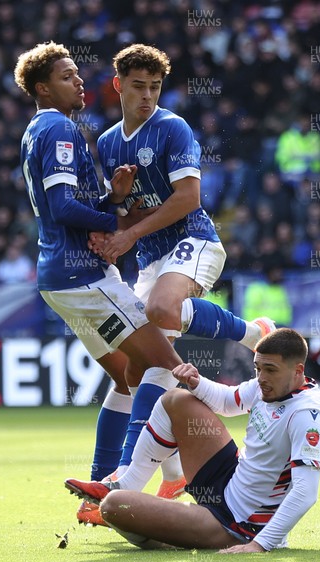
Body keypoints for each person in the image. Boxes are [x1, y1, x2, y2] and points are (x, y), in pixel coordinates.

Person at [14, 41, 186, 525]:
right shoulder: (60, 128)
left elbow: (58, 204)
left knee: (126, 377)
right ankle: (139, 482)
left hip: (59, 278)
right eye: (67, 76)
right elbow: (65, 207)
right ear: (44, 88)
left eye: (78, 74)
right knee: (168, 368)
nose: (78, 82)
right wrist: (117, 218)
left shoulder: (36, 129)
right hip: (84, 276)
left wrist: (112, 197)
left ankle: (100, 495)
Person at [89, 43, 275, 481]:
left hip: (195, 240)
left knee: (159, 311)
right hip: (152, 260)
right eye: (137, 87)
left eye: (154, 87)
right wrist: (115, 205)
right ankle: (160, 474)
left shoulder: (173, 129)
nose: (147, 96)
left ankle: (251, 334)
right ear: (118, 86)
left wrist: (128, 235)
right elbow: (128, 209)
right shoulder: (108, 143)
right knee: (131, 368)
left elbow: (188, 197)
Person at [65, 328, 320, 552]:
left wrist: (260, 545)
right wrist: (195, 381)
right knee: (175, 399)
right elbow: (228, 402)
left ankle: (169, 536)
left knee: (114, 507)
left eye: (270, 370)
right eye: (257, 368)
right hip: (228, 479)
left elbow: (305, 492)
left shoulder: (307, 413)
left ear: (298, 371)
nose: (261, 378)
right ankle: (126, 482)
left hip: (236, 524)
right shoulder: (268, 385)